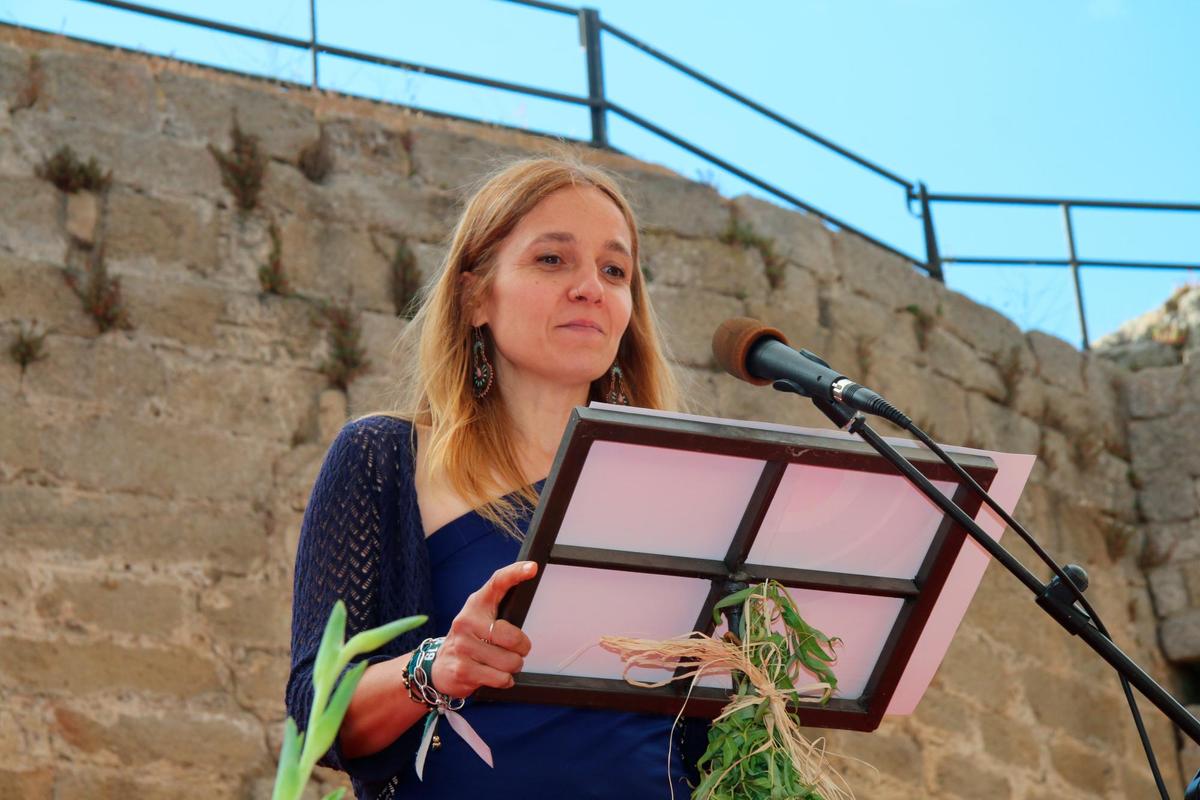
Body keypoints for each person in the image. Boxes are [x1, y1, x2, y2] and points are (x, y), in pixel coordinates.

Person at [286, 154, 707, 799]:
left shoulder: (688, 492)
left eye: (614, 270)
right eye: (552, 259)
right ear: (475, 295)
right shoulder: (384, 459)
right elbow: (316, 714)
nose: (590, 286)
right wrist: (436, 667)